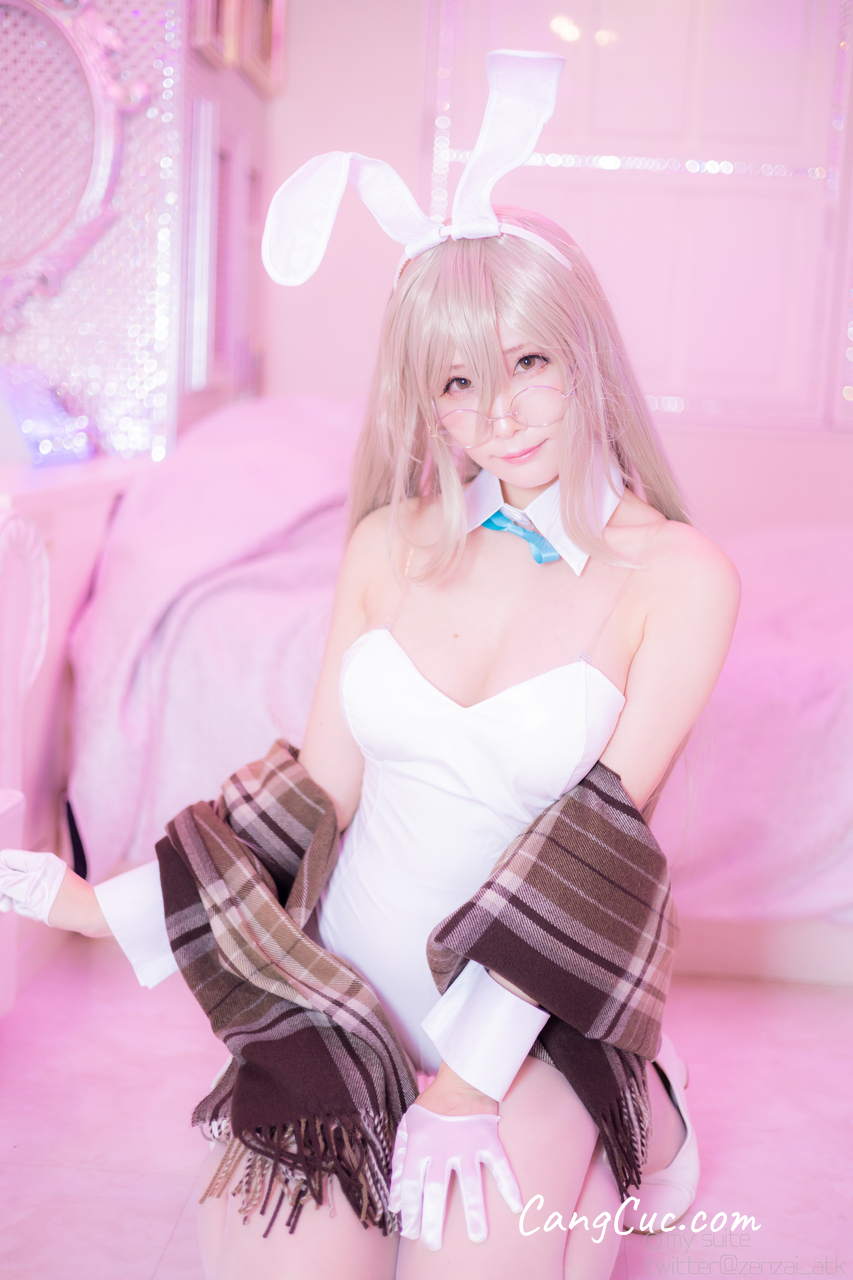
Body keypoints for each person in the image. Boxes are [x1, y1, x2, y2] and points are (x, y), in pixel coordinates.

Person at [0, 51, 739, 1280]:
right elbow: (319, 788)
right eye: (458, 379)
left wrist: (465, 1083)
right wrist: (106, 901)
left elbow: (599, 855)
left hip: (530, 1015)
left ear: (584, 354)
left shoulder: (680, 575)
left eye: (528, 362)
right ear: (427, 400)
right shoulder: (389, 544)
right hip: (340, 997)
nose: (498, 413)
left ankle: (636, 1114)